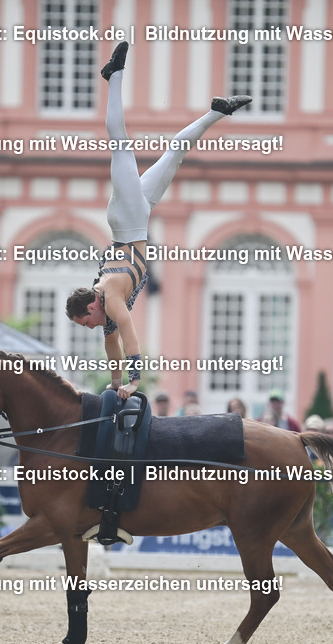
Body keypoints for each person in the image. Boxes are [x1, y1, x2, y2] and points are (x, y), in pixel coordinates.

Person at [65, 42, 251, 399]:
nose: (89, 327)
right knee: (175, 153)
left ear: (91, 307)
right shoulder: (104, 308)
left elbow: (129, 334)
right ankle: (216, 111)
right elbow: (112, 347)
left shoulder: (111, 298)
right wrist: (115, 383)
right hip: (137, 216)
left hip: (128, 220)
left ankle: (114, 75)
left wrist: (134, 381)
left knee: (120, 142)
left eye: (84, 321)